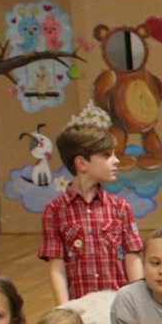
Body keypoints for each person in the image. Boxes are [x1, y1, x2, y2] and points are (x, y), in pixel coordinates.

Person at [38, 121, 142, 304]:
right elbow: (57, 266)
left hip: (118, 305)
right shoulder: (54, 211)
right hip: (80, 307)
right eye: (107, 155)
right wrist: (64, 309)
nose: (116, 160)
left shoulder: (121, 208)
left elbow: (132, 258)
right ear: (81, 163)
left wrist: (138, 303)